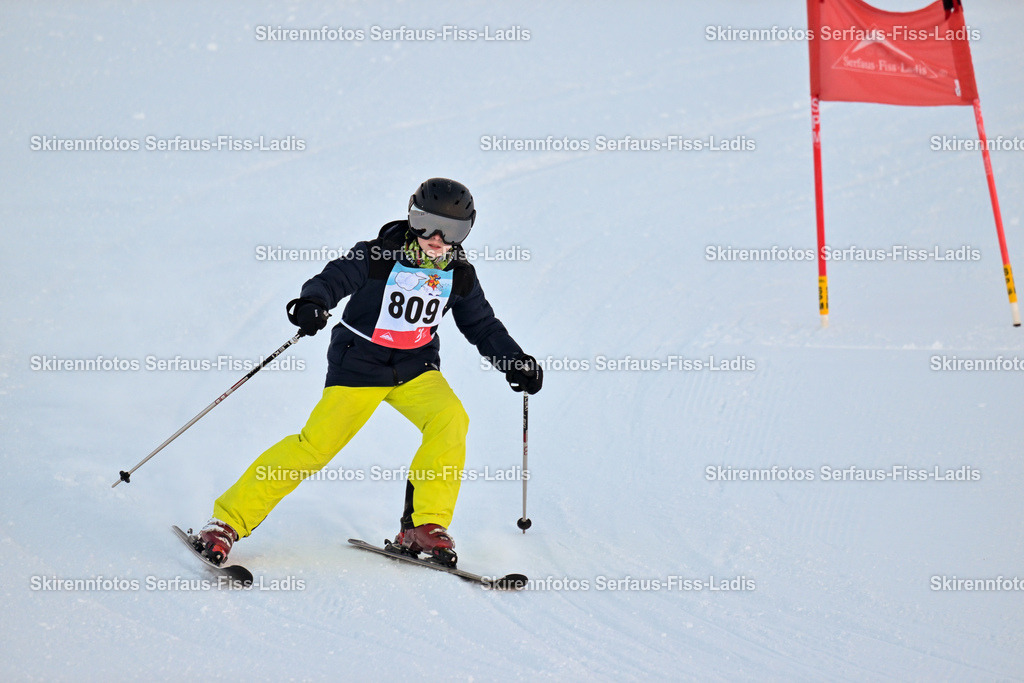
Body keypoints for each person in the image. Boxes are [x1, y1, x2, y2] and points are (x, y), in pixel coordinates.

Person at [195, 178, 542, 567]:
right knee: (315, 447)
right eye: (427, 223)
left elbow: (482, 326)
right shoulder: (377, 255)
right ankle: (226, 522)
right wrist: (313, 301)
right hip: (359, 364)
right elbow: (334, 278)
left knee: (450, 418)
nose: (438, 238)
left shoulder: (459, 275)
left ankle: (423, 525)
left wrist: (514, 360)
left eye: (453, 230)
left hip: (415, 368)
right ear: (412, 216)